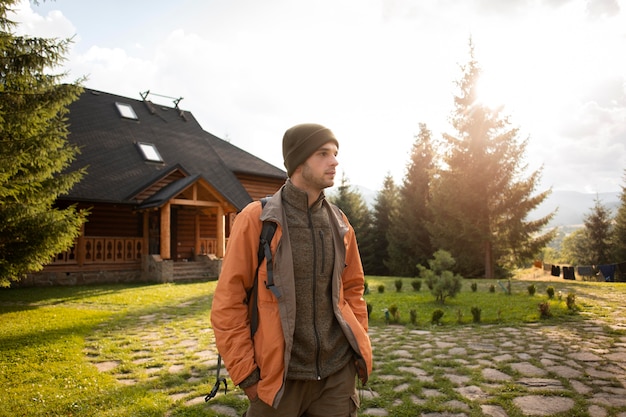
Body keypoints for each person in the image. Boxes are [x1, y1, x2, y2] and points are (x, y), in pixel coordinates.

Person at [211, 123, 372, 416]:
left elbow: (353, 289)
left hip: (336, 377)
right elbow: (228, 302)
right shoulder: (258, 220)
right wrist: (246, 375)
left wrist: (357, 343)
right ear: (299, 161)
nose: (334, 161)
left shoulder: (340, 223)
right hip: (278, 380)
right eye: (323, 153)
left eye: (335, 153)